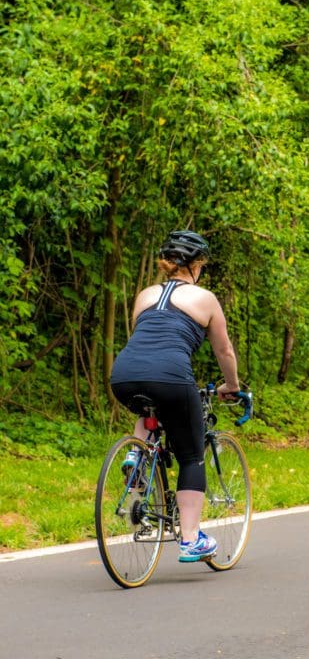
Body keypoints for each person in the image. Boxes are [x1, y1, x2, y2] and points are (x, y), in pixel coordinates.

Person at [110, 230, 242, 563]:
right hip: (170, 375)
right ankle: (191, 539)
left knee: (148, 404)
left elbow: (147, 341)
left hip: (124, 374)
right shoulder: (205, 298)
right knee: (191, 455)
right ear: (196, 265)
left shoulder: (145, 294)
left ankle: (136, 457)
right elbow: (223, 350)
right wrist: (232, 385)